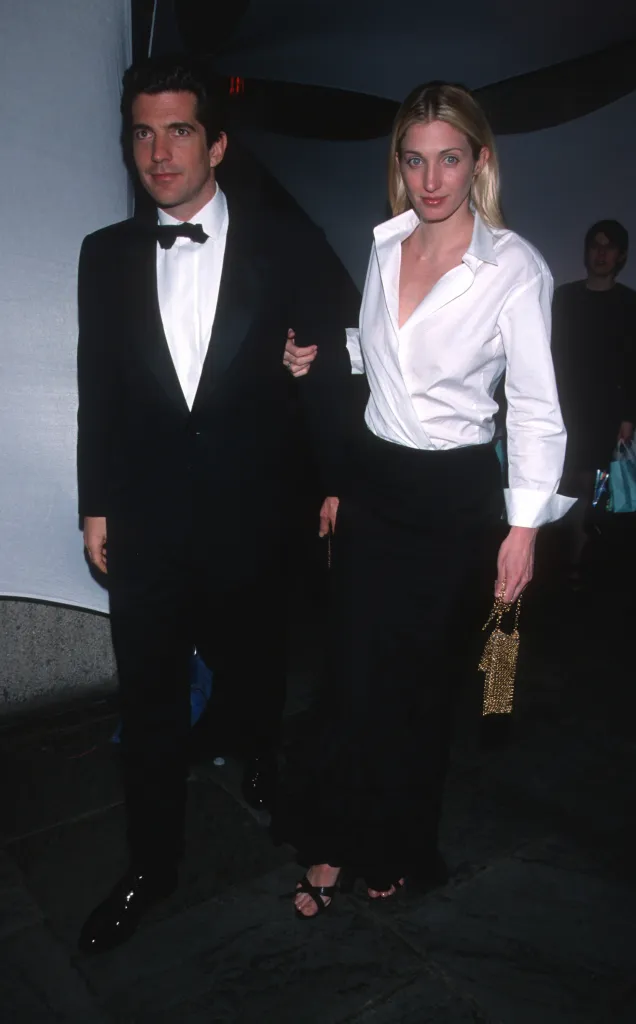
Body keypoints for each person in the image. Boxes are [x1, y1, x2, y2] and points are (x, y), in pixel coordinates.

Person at [276, 81, 574, 916]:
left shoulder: (514, 268)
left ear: (479, 161)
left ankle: (396, 840)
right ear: (398, 166)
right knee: (351, 672)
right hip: (375, 486)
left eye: (449, 158)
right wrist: (324, 358)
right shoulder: (384, 245)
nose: (431, 179)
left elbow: (538, 407)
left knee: (412, 686)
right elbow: (383, 351)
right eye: (415, 160)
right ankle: (331, 841)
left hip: (452, 504)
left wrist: (524, 529)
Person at [76, 57, 351, 953]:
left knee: (257, 669)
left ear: (218, 143)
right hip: (148, 522)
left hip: (254, 515)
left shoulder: (283, 242)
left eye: (179, 130)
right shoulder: (105, 255)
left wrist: (332, 451)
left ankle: (265, 760)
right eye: (143, 133)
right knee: (150, 702)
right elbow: (99, 393)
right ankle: (151, 866)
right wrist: (96, 505)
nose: (159, 152)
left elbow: (348, 343)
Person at [551, 220, 636, 580]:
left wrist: (628, 416)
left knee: (593, 489)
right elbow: (547, 353)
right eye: (595, 245)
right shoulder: (565, 297)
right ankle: (556, 557)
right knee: (559, 481)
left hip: (604, 413)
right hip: (563, 406)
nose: (601, 253)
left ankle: (578, 562)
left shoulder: (629, 303)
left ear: (621, 256)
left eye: (609, 246)